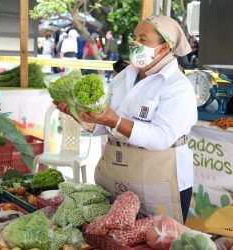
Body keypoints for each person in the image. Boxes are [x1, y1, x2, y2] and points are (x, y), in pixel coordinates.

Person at [55, 15, 197, 224]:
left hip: (159, 178)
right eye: (134, 37)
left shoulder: (177, 86)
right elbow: (103, 127)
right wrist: (77, 114)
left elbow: (162, 137)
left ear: (164, 47)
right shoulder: (123, 77)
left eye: (143, 39)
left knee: (157, 239)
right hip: (116, 173)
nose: (135, 44)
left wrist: (116, 121)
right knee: (113, 236)